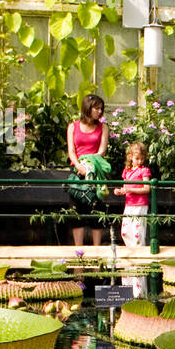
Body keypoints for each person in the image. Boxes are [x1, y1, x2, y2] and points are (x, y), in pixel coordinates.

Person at [67, 94, 109, 248]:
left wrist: (90, 164)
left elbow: (102, 151)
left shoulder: (103, 127)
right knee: (76, 208)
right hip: (78, 171)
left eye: (101, 109)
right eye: (96, 108)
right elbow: (71, 151)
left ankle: (96, 249)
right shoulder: (73, 126)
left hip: (95, 170)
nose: (100, 111)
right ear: (88, 108)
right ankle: (79, 251)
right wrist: (79, 166)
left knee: (96, 207)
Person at [114, 140, 151, 248]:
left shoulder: (144, 170)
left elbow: (146, 188)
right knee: (125, 231)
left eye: (142, 159)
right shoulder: (127, 171)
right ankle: (131, 249)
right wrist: (119, 191)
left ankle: (140, 252)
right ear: (130, 157)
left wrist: (130, 190)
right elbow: (125, 187)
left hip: (140, 204)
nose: (139, 161)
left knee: (137, 232)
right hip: (129, 204)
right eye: (137, 159)